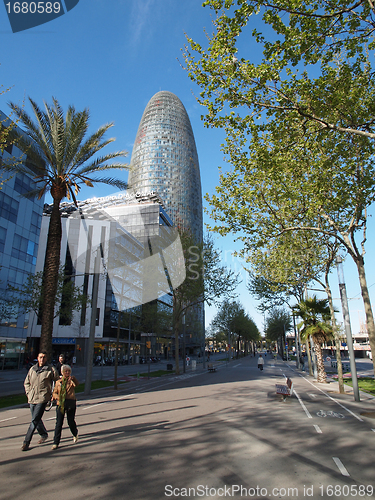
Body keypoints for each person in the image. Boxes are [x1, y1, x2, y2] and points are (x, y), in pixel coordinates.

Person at [22, 351, 59, 451]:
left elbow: (57, 381)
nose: (42, 359)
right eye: (40, 357)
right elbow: (27, 382)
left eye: (44, 357)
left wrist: (54, 394)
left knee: (34, 420)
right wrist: (29, 393)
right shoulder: (32, 369)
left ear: (46, 359)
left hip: (42, 398)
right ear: (37, 358)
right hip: (32, 397)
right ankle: (43, 434)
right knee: (36, 418)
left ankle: (26, 442)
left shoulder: (50, 369)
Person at [51, 364, 79, 450]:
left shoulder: (71, 381)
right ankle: (56, 442)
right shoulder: (58, 382)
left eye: (68, 371)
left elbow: (77, 384)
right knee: (59, 423)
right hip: (61, 404)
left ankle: (75, 433)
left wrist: (73, 379)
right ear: (62, 372)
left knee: (70, 421)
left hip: (70, 402)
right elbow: (54, 392)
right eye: (65, 371)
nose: (67, 373)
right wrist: (57, 397)